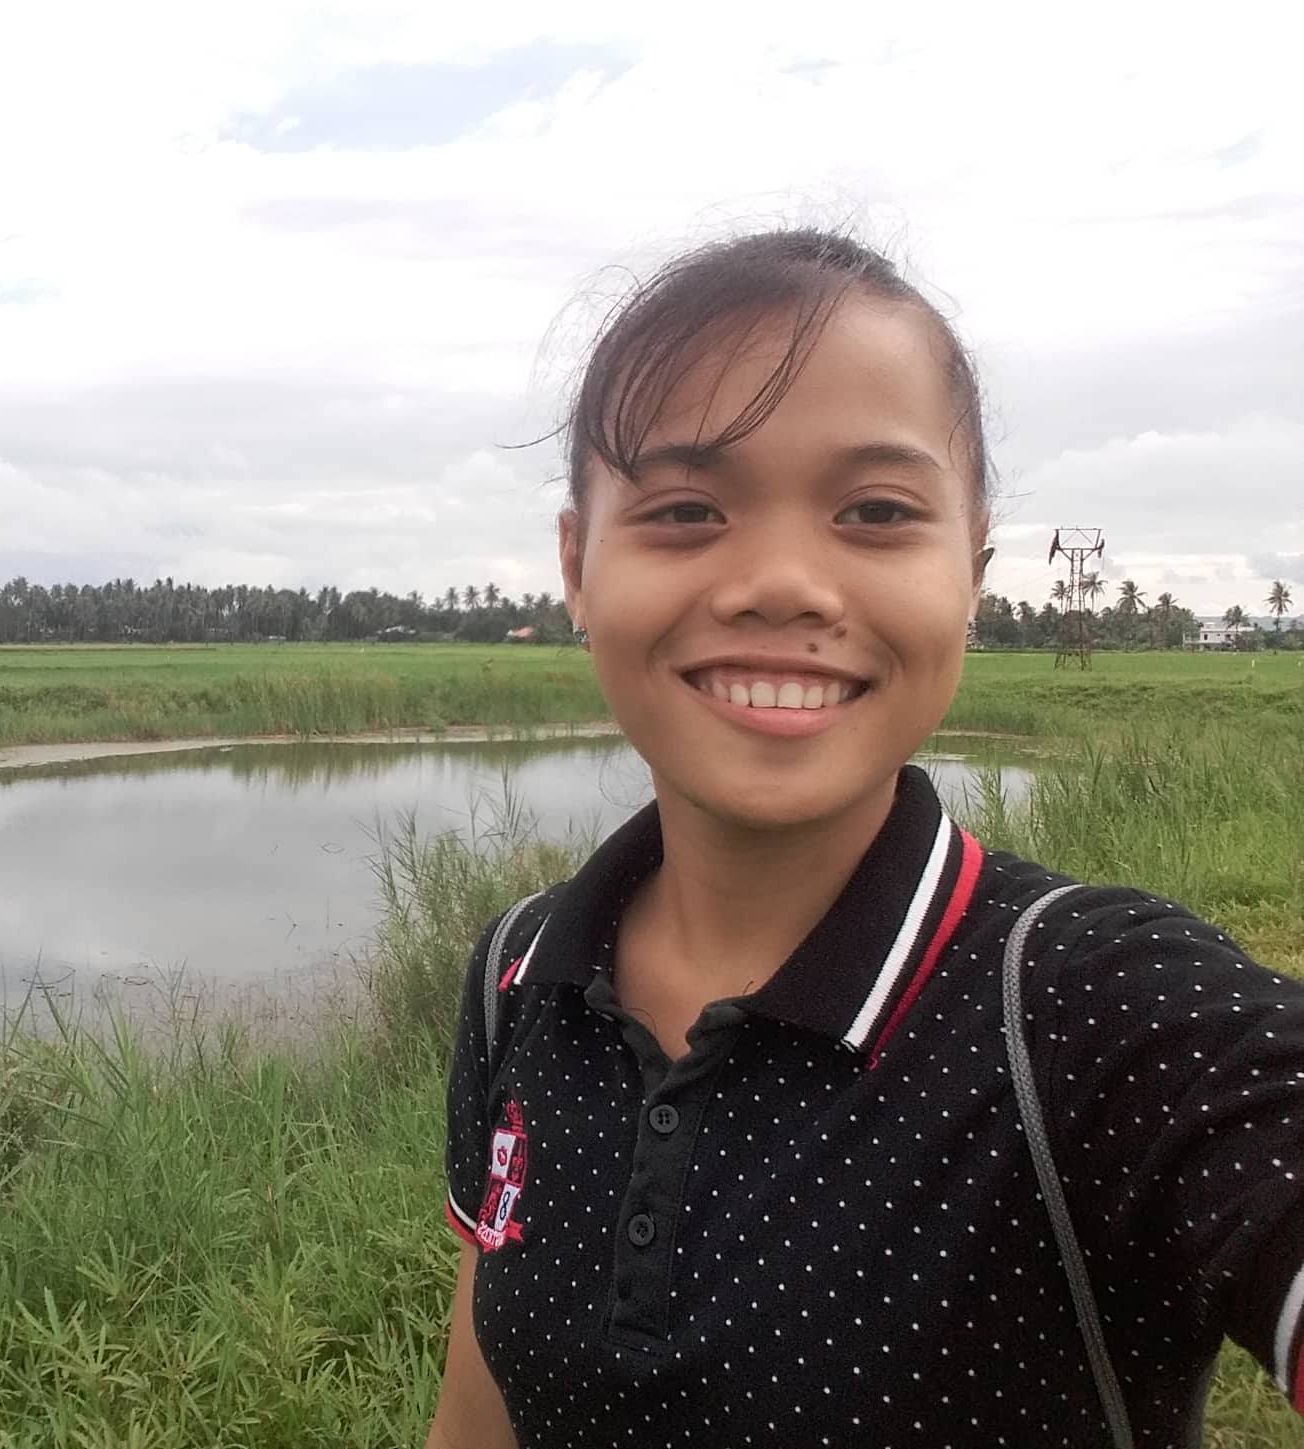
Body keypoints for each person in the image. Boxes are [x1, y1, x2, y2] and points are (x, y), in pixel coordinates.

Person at [424, 229, 1304, 1447]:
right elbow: (479, 1407)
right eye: (686, 509)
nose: (784, 582)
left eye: (877, 512)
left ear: (971, 572)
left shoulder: (1095, 1011)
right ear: (579, 565)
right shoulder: (518, 974)